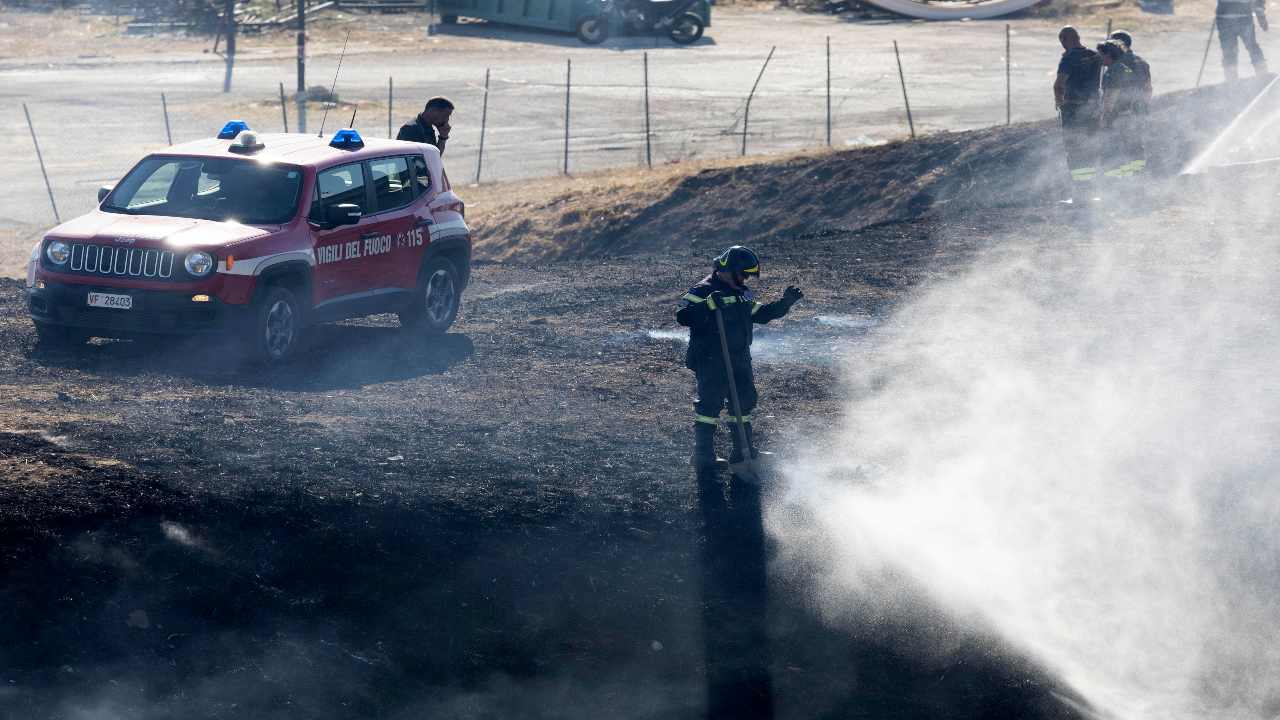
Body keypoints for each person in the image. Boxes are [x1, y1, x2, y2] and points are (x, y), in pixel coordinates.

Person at [675, 246, 803, 471]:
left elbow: (761, 314)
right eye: (743, 274)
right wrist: (708, 305)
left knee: (743, 402)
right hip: (711, 359)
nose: (746, 279)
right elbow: (682, 316)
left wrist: (786, 303)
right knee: (710, 404)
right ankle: (703, 456)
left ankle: (743, 452)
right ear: (729, 270)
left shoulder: (741, 293)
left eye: (748, 276)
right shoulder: (703, 290)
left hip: (739, 357)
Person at [1054, 27, 1104, 192]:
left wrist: (1059, 102)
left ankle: (1080, 190)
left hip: (1074, 109)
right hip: (1093, 107)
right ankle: (1093, 188)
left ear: (1064, 40)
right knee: (1091, 146)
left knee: (1075, 148)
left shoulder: (1068, 58)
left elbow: (1059, 85)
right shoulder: (1095, 56)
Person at [1097, 40, 1148, 178]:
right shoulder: (1126, 69)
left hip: (1117, 118)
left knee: (1112, 150)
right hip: (1130, 116)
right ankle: (1136, 178)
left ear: (1108, 55)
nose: (1099, 57)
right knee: (1132, 149)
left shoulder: (1112, 72)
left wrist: (1104, 119)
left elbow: (1110, 98)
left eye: (1101, 54)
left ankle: (1114, 182)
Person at [1217, 0, 1269, 81]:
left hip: (1240, 17)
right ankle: (1231, 80)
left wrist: (1260, 15)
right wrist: (1260, 15)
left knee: (1249, 47)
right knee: (1230, 51)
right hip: (1227, 17)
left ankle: (1262, 75)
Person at [1108, 30, 1153, 109]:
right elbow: (1148, 89)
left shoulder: (1116, 64)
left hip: (1119, 110)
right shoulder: (1142, 62)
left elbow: (1112, 93)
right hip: (1138, 108)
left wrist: (1107, 113)